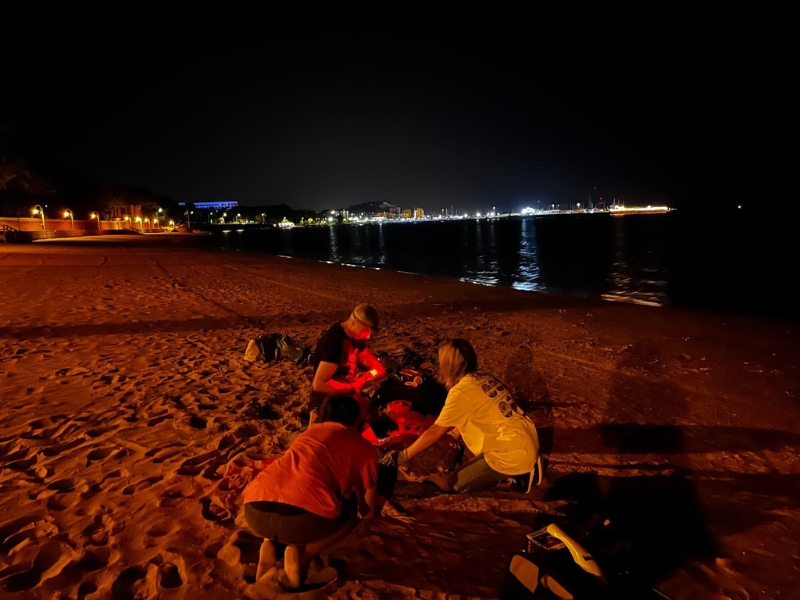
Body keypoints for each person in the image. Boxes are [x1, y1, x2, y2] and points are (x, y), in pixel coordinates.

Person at [242, 393, 378, 589]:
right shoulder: (365, 448)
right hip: (302, 520)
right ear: (357, 419)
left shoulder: (308, 434)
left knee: (287, 489)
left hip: (254, 511)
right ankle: (304, 553)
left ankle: (269, 543)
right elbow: (369, 512)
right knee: (350, 513)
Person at [381, 338, 542, 494]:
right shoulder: (485, 377)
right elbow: (471, 413)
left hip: (510, 452)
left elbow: (434, 431)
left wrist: (402, 456)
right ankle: (524, 461)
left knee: (456, 484)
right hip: (524, 436)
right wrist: (454, 433)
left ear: (449, 366)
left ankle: (518, 473)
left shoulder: (460, 392)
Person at [309, 303, 386, 424]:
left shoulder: (354, 335)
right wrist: (352, 389)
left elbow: (366, 357)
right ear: (353, 322)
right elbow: (319, 384)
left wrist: (376, 369)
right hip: (331, 400)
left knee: (376, 412)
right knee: (364, 421)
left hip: (347, 392)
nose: (369, 334)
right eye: (367, 329)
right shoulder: (335, 343)